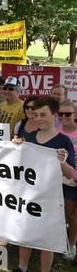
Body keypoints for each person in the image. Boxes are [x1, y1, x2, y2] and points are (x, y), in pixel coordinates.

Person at [5, 96, 75, 272]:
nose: (39, 118)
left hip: (51, 198)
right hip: (28, 195)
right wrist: (16, 148)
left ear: (54, 116)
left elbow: (71, 174)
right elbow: (19, 164)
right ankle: (22, 269)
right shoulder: (28, 137)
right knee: (25, 232)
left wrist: (62, 162)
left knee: (47, 237)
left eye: (43, 114)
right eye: (36, 115)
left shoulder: (64, 141)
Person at [57, 99, 77, 261]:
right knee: (58, 214)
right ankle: (55, 241)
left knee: (72, 216)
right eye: (60, 113)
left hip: (73, 181)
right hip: (55, 180)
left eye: (68, 114)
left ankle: (71, 246)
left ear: (75, 114)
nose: (63, 116)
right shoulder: (55, 130)